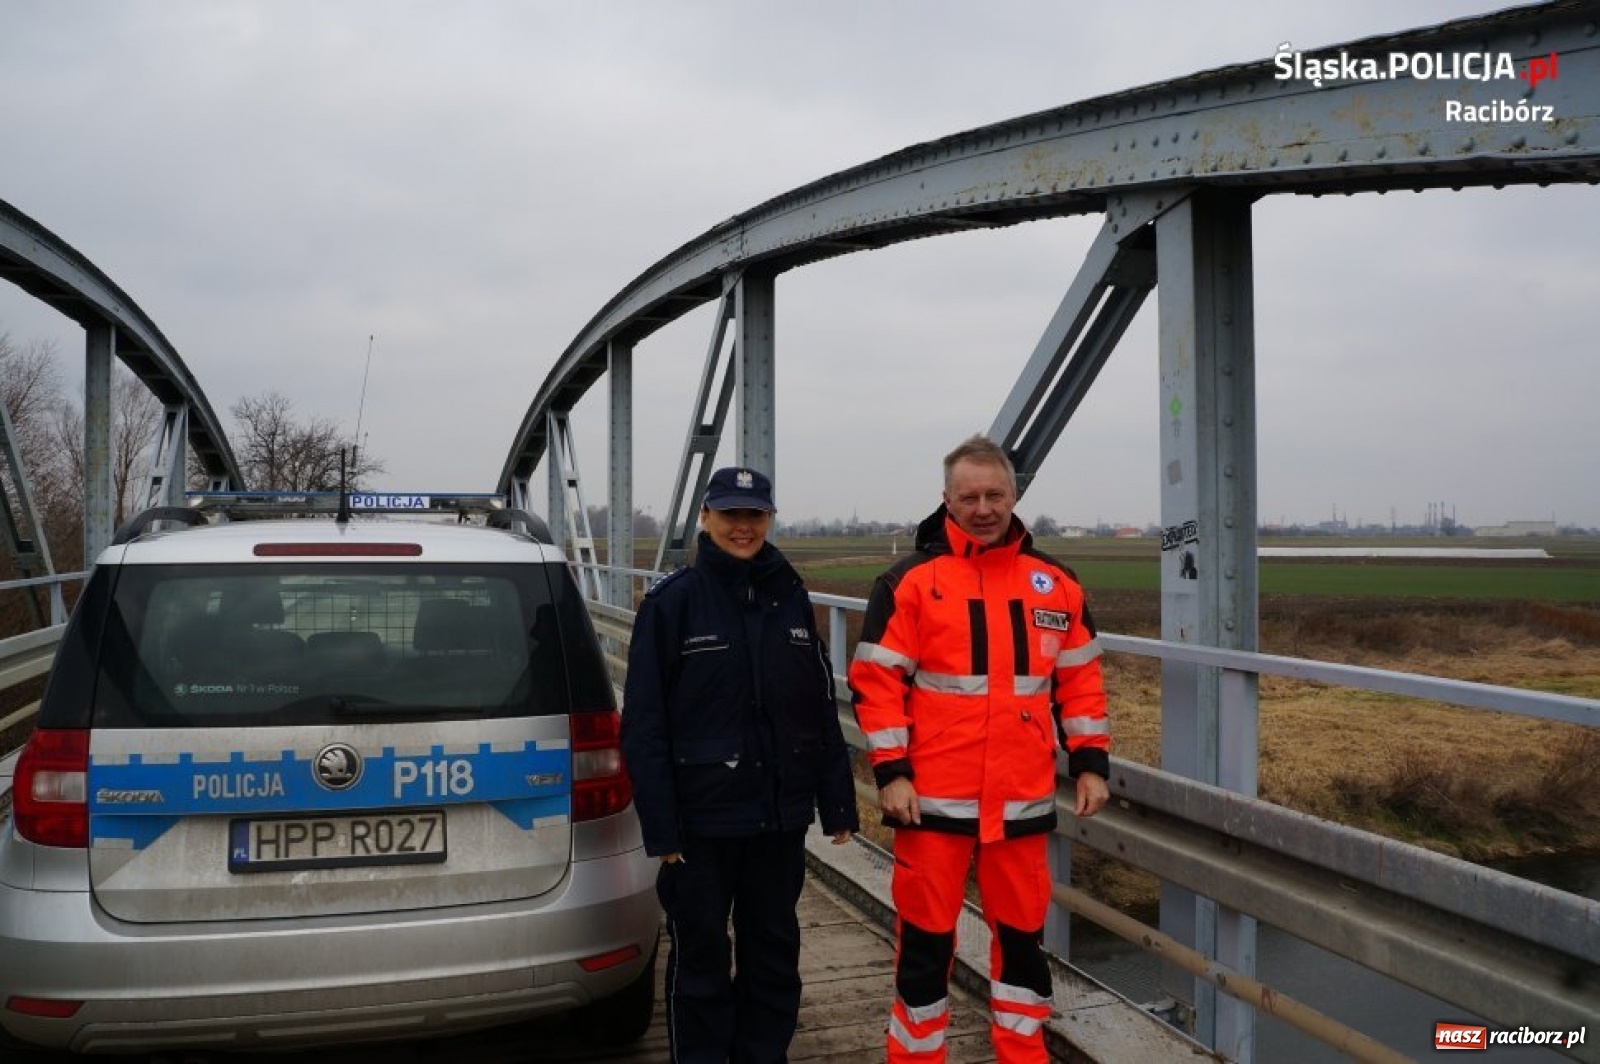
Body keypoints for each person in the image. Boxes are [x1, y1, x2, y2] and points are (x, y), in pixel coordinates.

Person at [847, 435, 1110, 1064]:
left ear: (1014, 496)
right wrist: (891, 773)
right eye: (970, 496)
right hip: (930, 799)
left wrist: (1091, 762)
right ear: (947, 500)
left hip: (1019, 798)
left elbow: (1080, 680)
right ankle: (916, 1056)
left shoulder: (1057, 585)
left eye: (995, 494)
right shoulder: (910, 582)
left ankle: (1022, 1055)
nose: (984, 507)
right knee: (925, 946)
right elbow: (876, 685)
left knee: (1022, 943)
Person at [620, 465, 860, 1064]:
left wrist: (836, 802)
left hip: (777, 819)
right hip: (700, 826)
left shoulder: (792, 598)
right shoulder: (672, 604)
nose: (743, 527)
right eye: (730, 515)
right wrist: (662, 830)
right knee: (700, 960)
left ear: (769, 519)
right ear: (706, 518)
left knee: (774, 957)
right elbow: (643, 727)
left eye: (754, 516)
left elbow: (817, 708)